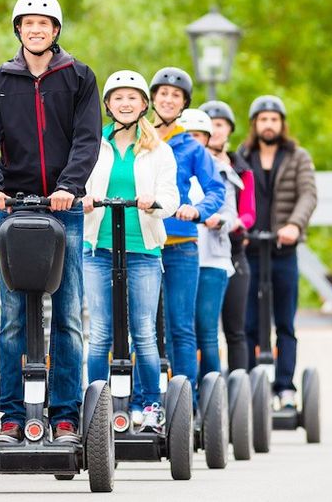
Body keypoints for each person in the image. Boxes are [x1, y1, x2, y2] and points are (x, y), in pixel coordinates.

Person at [0, 0, 101, 443]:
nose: (36, 30)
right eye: (28, 24)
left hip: (63, 212)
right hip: (15, 211)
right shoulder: (0, 80)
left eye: (44, 24)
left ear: (56, 31)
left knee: (67, 315)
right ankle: (10, 415)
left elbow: (88, 139)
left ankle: (65, 414)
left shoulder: (79, 77)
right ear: (18, 31)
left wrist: (70, 187)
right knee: (12, 318)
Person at [82, 70, 179, 431]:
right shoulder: (94, 144)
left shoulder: (158, 150)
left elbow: (172, 198)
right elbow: (76, 185)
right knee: (101, 332)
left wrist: (154, 202)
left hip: (143, 250)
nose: (125, 103)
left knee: (143, 332)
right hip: (98, 247)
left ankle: (149, 405)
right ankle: (97, 407)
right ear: (108, 105)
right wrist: (83, 200)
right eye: (118, 98)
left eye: (132, 98)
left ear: (143, 105)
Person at [134, 67, 225, 408]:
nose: (168, 99)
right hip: (142, 242)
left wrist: (197, 210)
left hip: (181, 245)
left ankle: (187, 405)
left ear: (184, 103)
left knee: (180, 329)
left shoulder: (192, 146)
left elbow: (216, 189)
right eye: (163, 94)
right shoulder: (139, 139)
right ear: (153, 99)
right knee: (142, 328)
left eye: (176, 96)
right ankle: (143, 402)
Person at [237, 95, 317, 408]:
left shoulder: (297, 156)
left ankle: (285, 387)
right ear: (254, 124)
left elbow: (308, 194)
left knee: (285, 323)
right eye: (262, 119)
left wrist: (294, 226)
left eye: (274, 119)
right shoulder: (242, 156)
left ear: (281, 124)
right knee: (249, 324)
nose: (268, 124)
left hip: (283, 252)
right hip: (251, 250)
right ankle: (253, 386)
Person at [179, 108, 238, 381]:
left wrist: (216, 219)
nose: (193, 140)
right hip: (179, 255)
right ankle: (184, 394)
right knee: (181, 329)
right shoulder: (171, 168)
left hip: (211, 259)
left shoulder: (220, 171)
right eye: (188, 135)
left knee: (206, 330)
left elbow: (231, 214)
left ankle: (211, 395)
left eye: (198, 135)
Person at [199, 100, 255, 373]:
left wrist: (230, 224)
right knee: (201, 327)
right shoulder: (194, 163)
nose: (215, 130)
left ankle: (238, 388)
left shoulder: (240, 169)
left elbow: (248, 212)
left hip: (232, 249)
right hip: (200, 251)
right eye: (209, 125)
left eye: (219, 125)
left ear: (229, 131)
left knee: (235, 327)